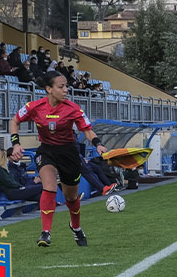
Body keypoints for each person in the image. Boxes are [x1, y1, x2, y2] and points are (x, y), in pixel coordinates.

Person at [10, 70, 109, 247]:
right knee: (49, 186)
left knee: (71, 198)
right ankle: (46, 232)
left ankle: (76, 227)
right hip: (46, 151)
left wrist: (98, 144)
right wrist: (16, 144)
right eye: (61, 87)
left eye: (66, 87)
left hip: (69, 153)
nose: (65, 90)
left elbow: (87, 130)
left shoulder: (73, 108)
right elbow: (14, 121)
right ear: (49, 89)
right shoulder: (34, 107)